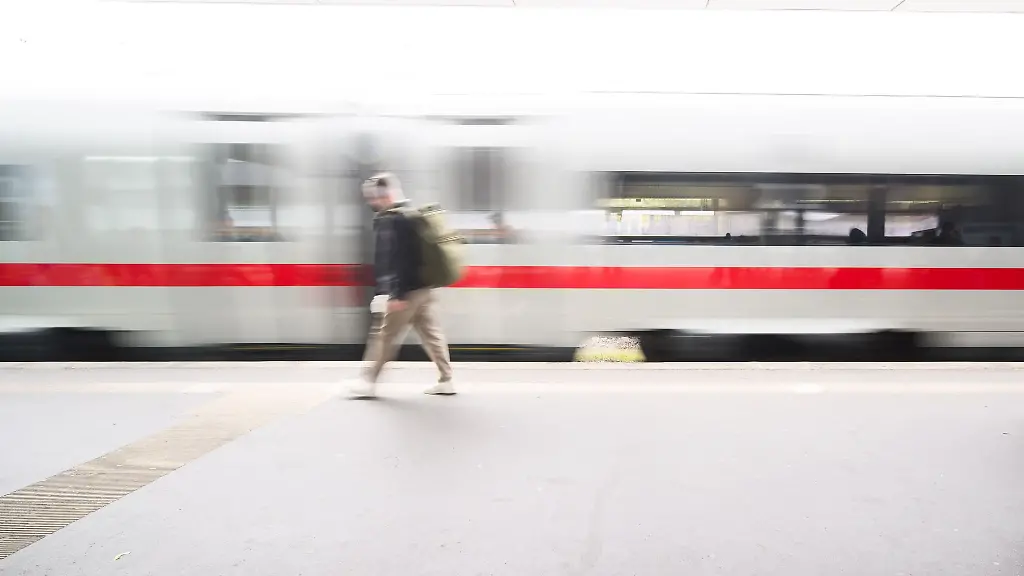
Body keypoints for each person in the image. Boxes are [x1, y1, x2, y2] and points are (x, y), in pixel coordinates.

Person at [347, 173, 455, 398]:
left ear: (384, 195)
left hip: (406, 293)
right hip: (424, 289)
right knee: (432, 335)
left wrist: (395, 294)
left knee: (384, 336)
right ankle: (447, 380)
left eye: (373, 197)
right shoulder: (410, 215)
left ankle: (368, 382)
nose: (371, 202)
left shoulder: (393, 220)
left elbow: (396, 260)